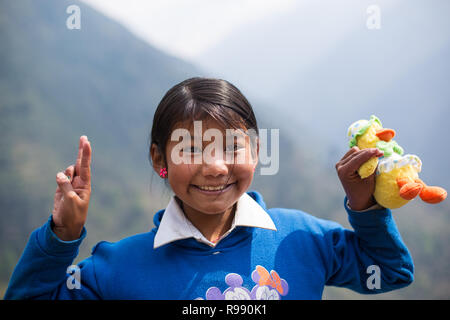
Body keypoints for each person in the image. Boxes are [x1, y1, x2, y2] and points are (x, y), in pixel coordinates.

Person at [4, 77, 413, 300]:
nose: (216, 168)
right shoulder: (118, 270)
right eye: (192, 148)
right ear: (158, 159)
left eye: (233, 146)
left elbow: (391, 272)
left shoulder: (303, 239)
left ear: (255, 150)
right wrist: (62, 237)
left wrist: (366, 207)